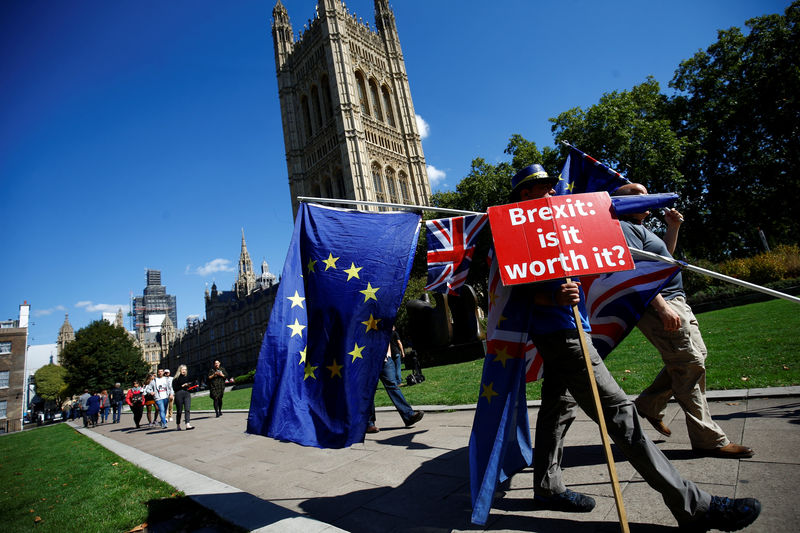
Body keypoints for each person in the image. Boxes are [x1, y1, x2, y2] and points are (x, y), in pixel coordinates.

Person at [508, 164, 760, 530]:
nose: (549, 194)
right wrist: (548, 299)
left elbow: (609, 261)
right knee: (622, 416)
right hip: (562, 336)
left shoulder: (559, 226)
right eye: (539, 189)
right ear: (522, 195)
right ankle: (694, 507)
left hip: (576, 327)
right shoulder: (514, 231)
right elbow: (508, 295)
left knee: (556, 408)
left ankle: (547, 487)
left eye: (550, 187)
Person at [613, 183, 754, 458]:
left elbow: (662, 260)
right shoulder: (621, 227)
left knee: (695, 357)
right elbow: (634, 273)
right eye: (638, 195)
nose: (647, 198)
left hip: (676, 300)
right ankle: (709, 439)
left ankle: (649, 405)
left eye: (647, 194)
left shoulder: (640, 228)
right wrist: (663, 308)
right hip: (660, 303)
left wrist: (672, 228)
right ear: (621, 201)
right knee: (688, 365)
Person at [366, 327, 424, 433]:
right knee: (369, 392)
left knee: (393, 386)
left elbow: (386, 334)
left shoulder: (378, 317)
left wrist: (387, 354)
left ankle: (409, 416)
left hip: (384, 360)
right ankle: (369, 423)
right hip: (367, 362)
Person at [172, 365, 194, 430]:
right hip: (179, 394)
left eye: (185, 369)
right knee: (179, 411)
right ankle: (178, 425)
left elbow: (190, 384)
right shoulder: (175, 379)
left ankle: (188, 424)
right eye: (183, 369)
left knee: (187, 409)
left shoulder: (187, 377)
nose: (184, 371)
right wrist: (182, 386)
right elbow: (175, 388)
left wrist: (189, 386)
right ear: (180, 370)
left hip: (187, 394)